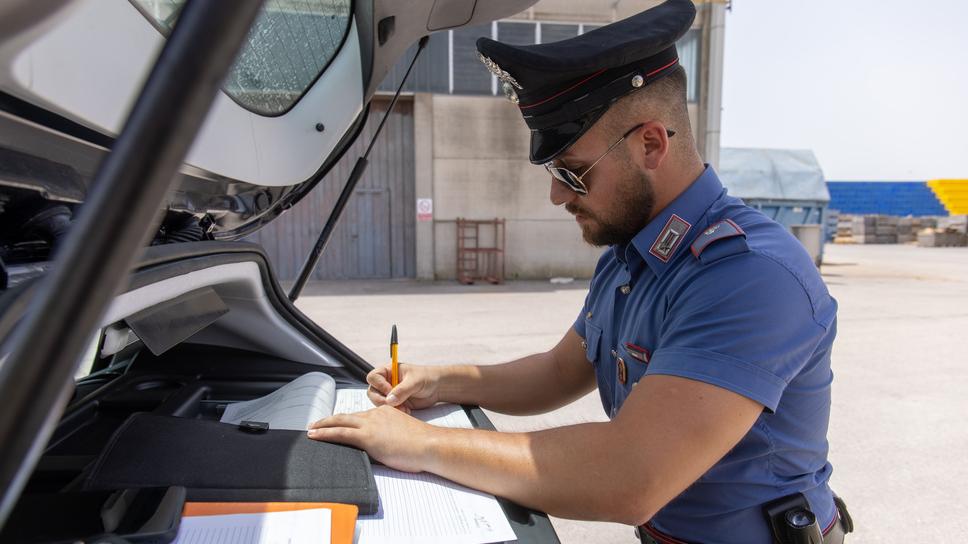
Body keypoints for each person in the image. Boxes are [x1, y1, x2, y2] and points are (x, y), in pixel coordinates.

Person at [308, 1, 852, 542]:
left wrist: (418, 444)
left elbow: (630, 476)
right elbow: (559, 372)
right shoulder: (630, 253)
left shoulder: (748, 275)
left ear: (650, 144)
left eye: (573, 172)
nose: (555, 195)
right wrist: (439, 380)